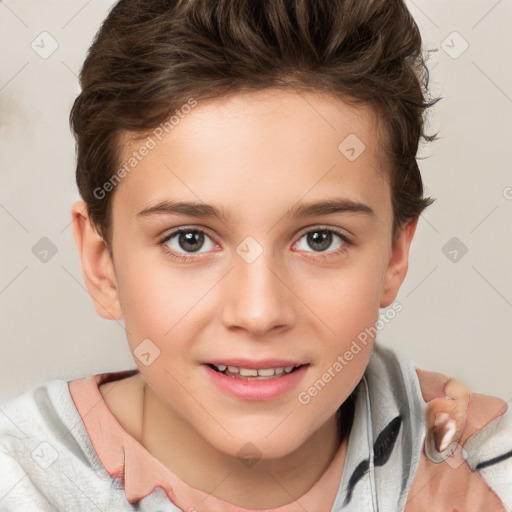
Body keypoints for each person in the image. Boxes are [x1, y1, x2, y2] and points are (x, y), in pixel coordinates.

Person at [1, 0, 511, 510]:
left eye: (320, 239)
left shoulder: (480, 473)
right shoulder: (19, 483)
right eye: (190, 240)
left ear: (395, 256)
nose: (259, 312)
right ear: (102, 264)